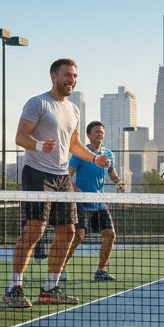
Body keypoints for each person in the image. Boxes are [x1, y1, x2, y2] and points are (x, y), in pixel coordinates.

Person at [3, 59, 111, 309]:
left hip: (62, 178)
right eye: (67, 75)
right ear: (54, 76)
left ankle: (50, 288)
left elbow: (73, 144)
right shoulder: (38, 103)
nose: (71, 80)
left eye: (74, 76)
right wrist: (40, 146)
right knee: (34, 230)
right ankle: (14, 288)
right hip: (37, 173)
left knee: (68, 232)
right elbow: (20, 137)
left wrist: (95, 158)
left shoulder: (73, 110)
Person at [66, 120, 125, 283]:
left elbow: (111, 171)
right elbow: (68, 174)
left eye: (102, 132)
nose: (100, 134)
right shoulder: (81, 153)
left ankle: (101, 270)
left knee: (110, 235)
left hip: (99, 202)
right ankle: (61, 267)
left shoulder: (108, 154)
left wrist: (118, 181)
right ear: (89, 135)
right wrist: (75, 189)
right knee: (78, 236)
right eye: (96, 132)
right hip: (81, 202)